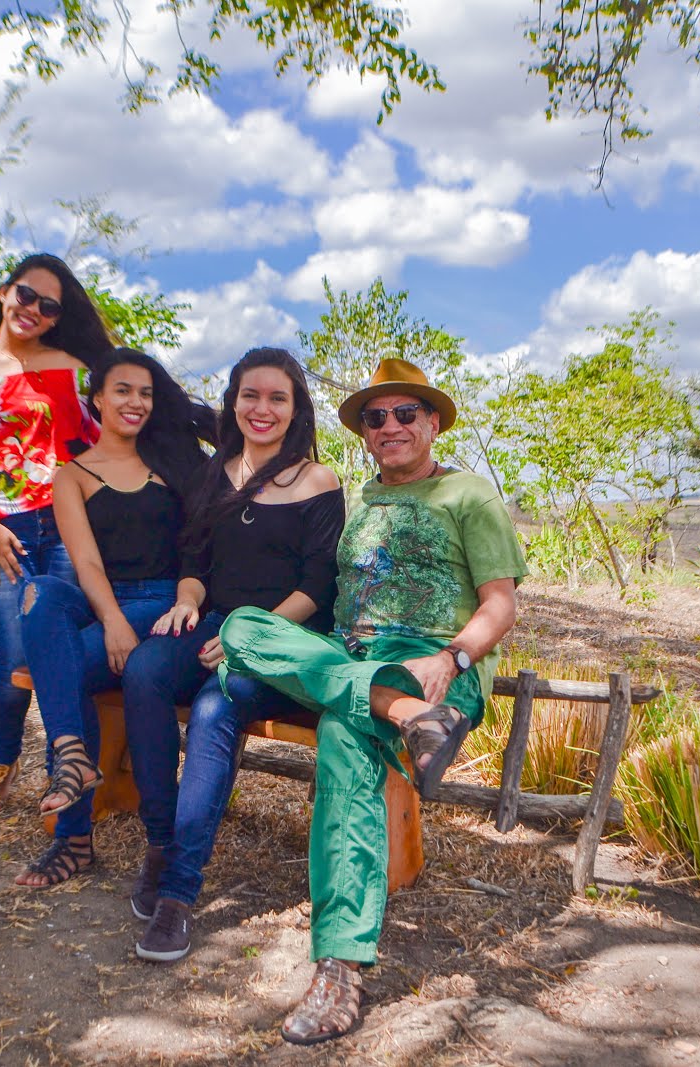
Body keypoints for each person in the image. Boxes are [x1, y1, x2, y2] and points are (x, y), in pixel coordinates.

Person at [216, 357, 529, 1045]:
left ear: (433, 421)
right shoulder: (364, 500)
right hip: (358, 663)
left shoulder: (469, 495)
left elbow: (500, 603)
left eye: (404, 413)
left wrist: (453, 657)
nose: (389, 426)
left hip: (434, 665)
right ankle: (404, 717)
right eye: (375, 417)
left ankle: (339, 964)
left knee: (340, 735)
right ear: (364, 433)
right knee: (241, 626)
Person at [121, 347, 343, 962]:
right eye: (251, 395)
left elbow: (317, 589)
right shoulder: (215, 473)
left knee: (217, 710)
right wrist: (188, 602)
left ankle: (177, 897)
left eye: (278, 398)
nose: (262, 409)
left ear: (296, 409)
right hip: (214, 623)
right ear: (233, 402)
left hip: (285, 641)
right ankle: (161, 842)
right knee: (144, 670)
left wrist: (253, 636)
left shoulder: (317, 482)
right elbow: (194, 563)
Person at [14, 348, 218, 888]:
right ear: (97, 398)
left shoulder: (174, 463)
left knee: (62, 671)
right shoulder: (71, 476)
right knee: (39, 592)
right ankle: (72, 757)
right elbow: (84, 562)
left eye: (146, 393)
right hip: (102, 598)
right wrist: (111, 621)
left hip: (165, 600)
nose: (136, 402)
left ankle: (72, 837)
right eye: (123, 390)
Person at [0, 254, 112, 815]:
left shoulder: (70, 367)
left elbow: (98, 440)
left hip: (64, 527)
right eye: (26, 295)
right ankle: (1, 764)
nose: (34, 309)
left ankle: (71, 772)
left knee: (62, 650)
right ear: (6, 293)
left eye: (49, 305)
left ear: (58, 317)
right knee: (14, 655)